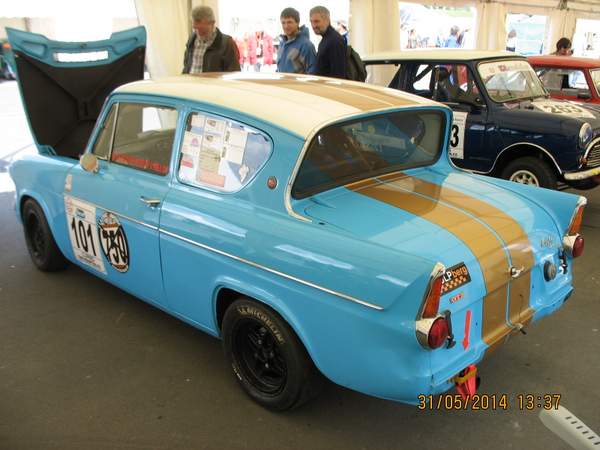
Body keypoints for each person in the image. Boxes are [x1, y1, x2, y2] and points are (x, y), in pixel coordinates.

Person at [182, 6, 240, 74]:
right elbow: (186, 66)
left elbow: (234, 72)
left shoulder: (227, 43)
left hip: (213, 81)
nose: (195, 26)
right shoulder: (192, 39)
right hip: (190, 80)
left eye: (198, 22)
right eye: (194, 22)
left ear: (212, 23)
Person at [309, 6, 347, 79]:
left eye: (316, 21)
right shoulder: (327, 39)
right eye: (311, 22)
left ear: (327, 20)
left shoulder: (335, 41)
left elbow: (338, 76)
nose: (313, 25)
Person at [277, 7, 316, 74]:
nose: (286, 26)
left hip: (297, 81)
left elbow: (312, 73)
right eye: (283, 23)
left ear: (297, 23)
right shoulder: (282, 43)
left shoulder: (306, 46)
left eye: (289, 22)